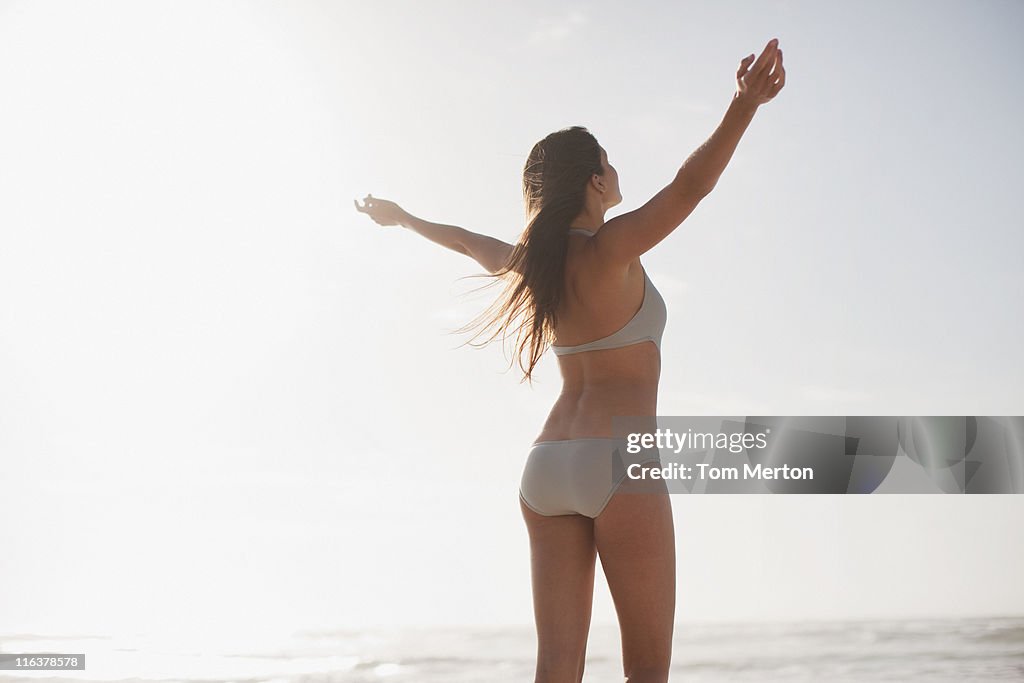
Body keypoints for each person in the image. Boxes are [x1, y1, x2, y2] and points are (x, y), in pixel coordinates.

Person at [354, 38, 785, 683]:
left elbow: (468, 242)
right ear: (593, 180)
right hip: (619, 462)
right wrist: (743, 105)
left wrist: (404, 218)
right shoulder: (612, 248)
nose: (617, 175)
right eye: (609, 165)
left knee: (555, 670)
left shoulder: (535, 267)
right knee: (648, 672)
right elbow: (692, 187)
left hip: (547, 464)